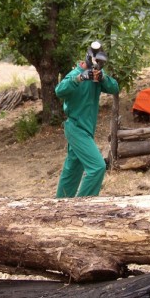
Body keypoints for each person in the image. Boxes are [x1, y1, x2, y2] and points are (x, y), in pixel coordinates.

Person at [55, 41, 119, 198]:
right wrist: (79, 78)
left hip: (87, 129)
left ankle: (59, 204)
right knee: (97, 167)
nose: (99, 66)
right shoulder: (74, 75)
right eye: (98, 62)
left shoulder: (97, 77)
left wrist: (103, 78)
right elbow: (59, 91)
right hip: (75, 127)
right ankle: (81, 206)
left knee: (72, 168)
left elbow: (115, 88)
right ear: (89, 59)